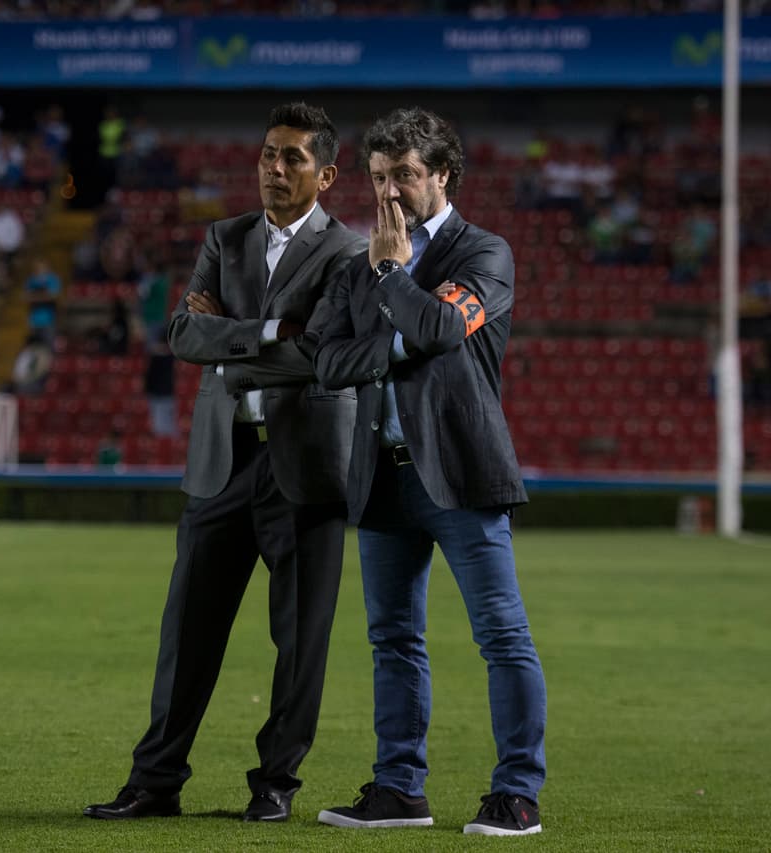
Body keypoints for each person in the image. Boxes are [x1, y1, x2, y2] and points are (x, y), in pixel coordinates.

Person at [83, 102, 366, 824]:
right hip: (222, 462)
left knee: (300, 641)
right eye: (269, 155)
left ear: (326, 173)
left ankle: (275, 785)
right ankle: (156, 781)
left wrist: (228, 342)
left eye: (293, 158)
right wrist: (271, 331)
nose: (275, 168)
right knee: (187, 631)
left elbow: (324, 354)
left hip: (305, 469)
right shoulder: (225, 235)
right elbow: (183, 333)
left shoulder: (347, 254)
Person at [307, 107, 546, 837]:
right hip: (382, 475)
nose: (388, 194)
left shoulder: (485, 254)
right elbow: (323, 360)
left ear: (441, 174)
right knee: (393, 640)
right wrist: (399, 336)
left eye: (404, 176)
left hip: (462, 471)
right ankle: (399, 789)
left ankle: (516, 793)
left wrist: (388, 274)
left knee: (501, 635)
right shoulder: (357, 266)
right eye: (378, 178)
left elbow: (443, 328)